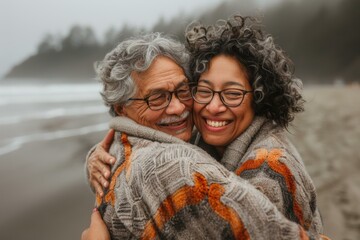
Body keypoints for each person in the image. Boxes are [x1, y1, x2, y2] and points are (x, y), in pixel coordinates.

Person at [83, 19, 327, 239]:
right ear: (121, 109)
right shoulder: (187, 149)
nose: (178, 107)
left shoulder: (268, 169)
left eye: (232, 94)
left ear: (260, 98)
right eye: (204, 91)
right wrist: (94, 157)